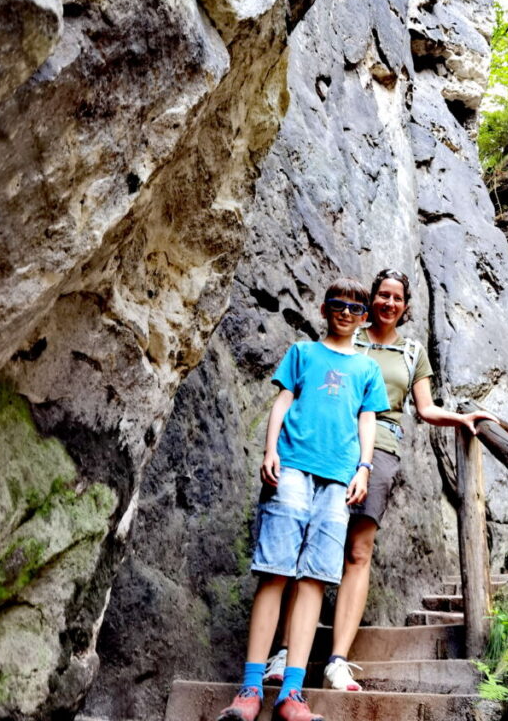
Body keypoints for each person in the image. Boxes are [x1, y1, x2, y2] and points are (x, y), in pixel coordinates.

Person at [264, 268, 497, 691]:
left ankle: (337, 658)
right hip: (327, 443)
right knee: (304, 542)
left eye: (397, 298)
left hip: (380, 448)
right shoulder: (348, 334)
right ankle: (281, 652)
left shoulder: (411, 351)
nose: (389, 303)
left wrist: (460, 418)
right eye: (382, 295)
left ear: (406, 307)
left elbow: (425, 409)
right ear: (370, 300)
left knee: (358, 550)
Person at [217, 278, 390, 721]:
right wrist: (270, 449)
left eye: (356, 308)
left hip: (338, 479)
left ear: (364, 317)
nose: (346, 313)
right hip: (292, 466)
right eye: (338, 305)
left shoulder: (367, 369)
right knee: (275, 571)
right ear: (324, 307)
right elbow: (283, 401)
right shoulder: (302, 353)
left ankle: (291, 692)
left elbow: (366, 420)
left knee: (314, 578)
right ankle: (250, 688)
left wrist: (364, 469)